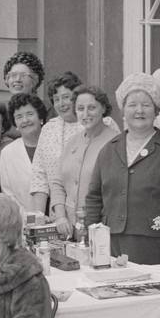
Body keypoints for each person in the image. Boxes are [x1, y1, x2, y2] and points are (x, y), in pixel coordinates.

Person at [83, 74, 160, 264]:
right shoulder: (109, 150)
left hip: (153, 245)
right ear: (123, 111)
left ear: (156, 110)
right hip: (109, 244)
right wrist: (90, 238)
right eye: (132, 105)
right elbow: (94, 198)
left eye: (146, 105)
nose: (139, 110)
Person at [36, 84, 120, 232]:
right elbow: (57, 182)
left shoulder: (115, 143)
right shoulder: (73, 142)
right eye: (80, 109)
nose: (86, 114)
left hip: (101, 228)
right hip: (69, 228)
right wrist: (61, 216)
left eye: (92, 108)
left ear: (103, 109)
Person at [0, 93, 48, 209]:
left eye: (30, 114)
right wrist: (28, 218)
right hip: (25, 221)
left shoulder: (54, 145)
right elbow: (8, 194)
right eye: (19, 117)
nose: (25, 120)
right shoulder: (8, 153)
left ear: (40, 118)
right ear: (15, 123)